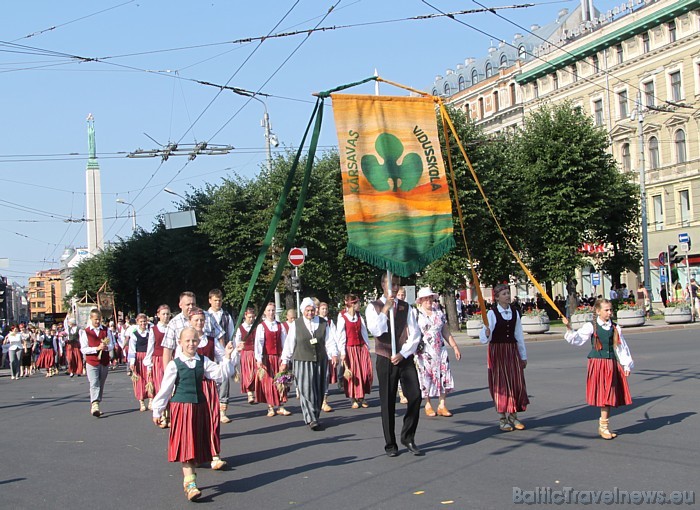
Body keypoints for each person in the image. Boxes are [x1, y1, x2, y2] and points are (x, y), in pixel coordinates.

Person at [151, 327, 238, 502]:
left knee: (196, 444)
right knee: (186, 445)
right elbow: (165, 389)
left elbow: (221, 374)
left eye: (194, 341)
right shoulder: (175, 364)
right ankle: (190, 483)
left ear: (199, 342)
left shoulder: (203, 361)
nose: (191, 344)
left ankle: (191, 476)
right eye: (188, 341)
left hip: (199, 408)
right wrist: (157, 409)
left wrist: (228, 355)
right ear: (180, 343)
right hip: (181, 408)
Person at [366, 274, 423, 457]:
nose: (395, 288)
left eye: (397, 285)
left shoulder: (406, 307)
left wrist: (403, 353)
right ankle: (390, 444)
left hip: (403, 356)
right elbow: (376, 330)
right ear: (383, 285)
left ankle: (408, 436)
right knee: (388, 402)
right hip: (385, 357)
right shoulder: (373, 306)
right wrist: (385, 310)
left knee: (415, 395)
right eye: (392, 284)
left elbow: (414, 333)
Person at [562, 299, 633, 439]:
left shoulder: (615, 327)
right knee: (604, 394)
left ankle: (603, 426)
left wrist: (626, 364)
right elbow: (577, 339)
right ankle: (603, 426)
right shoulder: (591, 326)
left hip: (611, 363)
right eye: (606, 310)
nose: (609, 312)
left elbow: (620, 347)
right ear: (598, 311)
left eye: (610, 310)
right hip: (598, 363)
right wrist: (569, 328)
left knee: (609, 394)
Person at [279, 297, 338, 431]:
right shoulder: (296, 324)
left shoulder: (323, 323)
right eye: (307, 310)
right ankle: (310, 418)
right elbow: (289, 343)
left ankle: (315, 414)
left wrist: (333, 354)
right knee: (306, 389)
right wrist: (284, 360)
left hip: (320, 360)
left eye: (312, 310)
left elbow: (329, 340)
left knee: (319, 388)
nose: (310, 313)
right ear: (302, 311)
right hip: (302, 360)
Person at [479, 284, 529, 432]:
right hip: (498, 351)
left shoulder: (515, 312)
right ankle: (502, 418)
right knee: (501, 383)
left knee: (515, 382)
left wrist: (523, 355)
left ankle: (513, 415)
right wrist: (487, 333)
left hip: (512, 350)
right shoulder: (492, 313)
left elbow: (518, 334)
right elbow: (484, 336)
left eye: (508, 293)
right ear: (497, 297)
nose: (507, 296)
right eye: (504, 294)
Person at [187, 307, 229, 471]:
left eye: (202, 320)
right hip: (192, 386)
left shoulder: (210, 341)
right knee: (194, 421)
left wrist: (229, 354)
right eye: (196, 320)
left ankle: (214, 455)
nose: (199, 323)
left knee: (212, 419)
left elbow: (221, 357)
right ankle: (196, 454)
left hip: (208, 385)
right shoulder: (186, 341)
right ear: (190, 322)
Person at [414, 287, 461, 418]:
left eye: (430, 298)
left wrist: (455, 346)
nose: (429, 300)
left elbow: (445, 331)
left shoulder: (439, 312)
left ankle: (442, 404)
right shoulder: (416, 314)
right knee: (426, 377)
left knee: (443, 374)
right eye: (426, 298)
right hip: (424, 352)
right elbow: (411, 333)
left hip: (440, 349)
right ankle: (428, 404)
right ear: (421, 301)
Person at [161, 291, 223, 367]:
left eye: (193, 304)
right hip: (185, 369)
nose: (191, 307)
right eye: (188, 304)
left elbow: (220, 336)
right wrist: (167, 373)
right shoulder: (173, 323)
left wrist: (222, 364)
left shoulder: (207, 316)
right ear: (180, 305)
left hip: (208, 366)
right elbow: (168, 350)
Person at [336, 293, 372, 409]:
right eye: (357, 303)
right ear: (351, 304)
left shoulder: (359, 316)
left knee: (364, 372)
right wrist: (342, 352)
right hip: (350, 348)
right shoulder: (342, 317)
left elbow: (364, 331)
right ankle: (353, 397)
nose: (359, 305)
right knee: (353, 374)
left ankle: (362, 396)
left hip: (361, 348)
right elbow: (340, 335)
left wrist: (366, 345)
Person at [255, 302, 291, 417]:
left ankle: (281, 406)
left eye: (273, 310)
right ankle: (270, 406)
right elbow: (259, 344)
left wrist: (285, 358)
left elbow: (285, 343)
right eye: (269, 310)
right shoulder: (262, 327)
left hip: (279, 357)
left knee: (281, 380)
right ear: (265, 312)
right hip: (268, 358)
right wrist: (259, 359)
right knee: (269, 382)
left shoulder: (280, 326)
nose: (271, 313)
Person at [207, 289, 236, 424]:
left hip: (223, 351)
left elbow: (231, 334)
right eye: (215, 300)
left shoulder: (226, 316)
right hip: (209, 351)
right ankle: (211, 407)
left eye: (219, 300)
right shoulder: (206, 316)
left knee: (224, 378)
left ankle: (223, 410)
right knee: (210, 379)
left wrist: (231, 351)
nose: (218, 302)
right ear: (210, 301)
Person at [79, 309, 113, 417]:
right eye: (95, 319)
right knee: (94, 382)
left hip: (104, 361)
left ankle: (97, 401)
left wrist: (106, 347)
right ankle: (95, 404)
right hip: (92, 362)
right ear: (91, 319)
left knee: (101, 383)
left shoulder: (106, 331)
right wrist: (96, 348)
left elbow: (112, 344)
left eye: (99, 319)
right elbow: (84, 349)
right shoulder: (86, 332)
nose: (98, 322)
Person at [144, 305, 171, 426]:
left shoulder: (172, 328)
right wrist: (149, 366)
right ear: (158, 315)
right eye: (163, 314)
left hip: (171, 359)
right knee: (161, 387)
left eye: (167, 314)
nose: (166, 316)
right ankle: (162, 414)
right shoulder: (153, 329)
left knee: (171, 387)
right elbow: (150, 348)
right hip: (158, 360)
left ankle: (169, 414)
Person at [128, 313, 152, 412]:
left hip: (148, 356)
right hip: (138, 358)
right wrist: (132, 362)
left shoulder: (150, 333)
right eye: (141, 322)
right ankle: (141, 401)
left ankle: (151, 400)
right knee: (139, 379)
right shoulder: (134, 334)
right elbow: (132, 349)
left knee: (150, 378)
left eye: (144, 321)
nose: (143, 324)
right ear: (137, 322)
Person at [317, 302, 338, 413]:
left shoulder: (329, 322)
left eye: (326, 309)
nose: (324, 311)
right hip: (317, 353)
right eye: (322, 309)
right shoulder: (316, 321)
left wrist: (335, 352)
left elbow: (334, 336)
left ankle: (324, 401)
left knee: (325, 376)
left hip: (327, 354)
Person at [235, 306, 257, 404]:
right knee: (248, 373)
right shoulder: (241, 328)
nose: (251, 319)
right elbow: (237, 342)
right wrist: (239, 350)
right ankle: (249, 394)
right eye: (249, 317)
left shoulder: (256, 327)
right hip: (246, 353)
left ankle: (255, 392)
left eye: (252, 317)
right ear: (245, 316)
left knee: (256, 374)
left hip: (255, 352)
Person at [395, 286, 409, 405]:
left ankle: (407, 390)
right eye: (399, 295)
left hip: (408, 342)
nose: (402, 297)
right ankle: (401, 393)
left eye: (403, 295)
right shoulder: (395, 309)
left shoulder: (408, 308)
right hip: (398, 341)